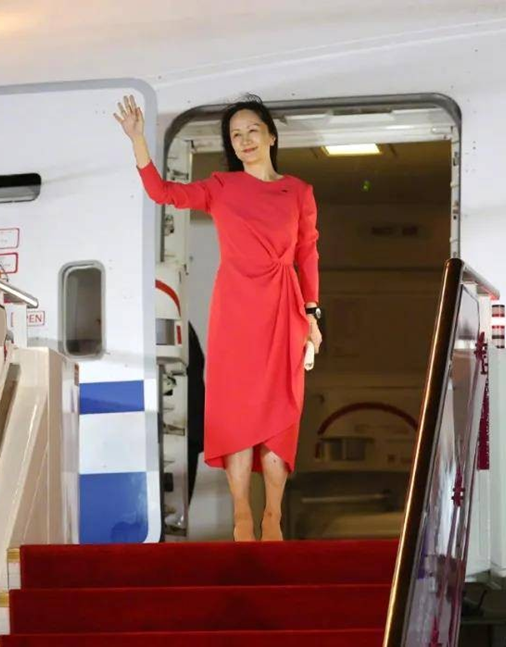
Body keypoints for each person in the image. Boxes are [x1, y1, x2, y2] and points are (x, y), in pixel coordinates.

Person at [114, 94, 322, 542]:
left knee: (280, 414)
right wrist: (137, 140)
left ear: (271, 136)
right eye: (236, 135)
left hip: (284, 309)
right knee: (237, 414)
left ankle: (273, 515)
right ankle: (242, 513)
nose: (244, 140)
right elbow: (162, 192)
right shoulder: (221, 187)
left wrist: (313, 316)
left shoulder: (299, 192)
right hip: (235, 311)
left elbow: (308, 255)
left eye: (252, 131)